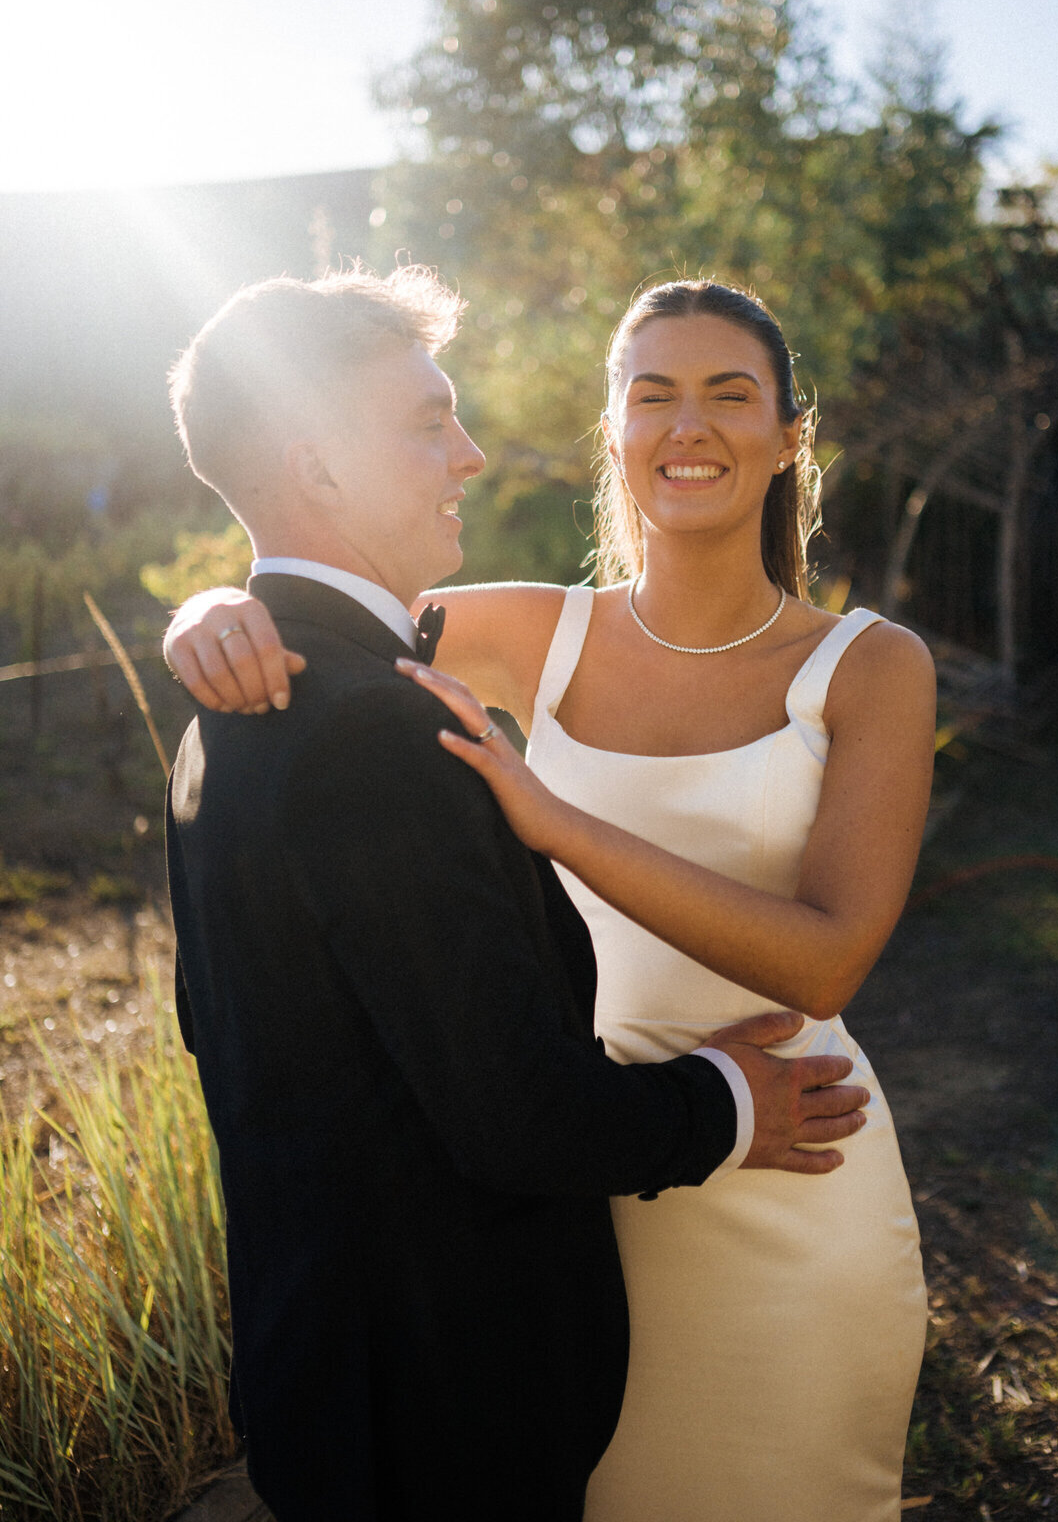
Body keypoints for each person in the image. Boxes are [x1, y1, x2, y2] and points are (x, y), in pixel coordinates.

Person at [163, 267, 872, 1522]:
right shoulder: (363, 725)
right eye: (429, 422)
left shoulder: (236, 716)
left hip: (340, 1376)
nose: (472, 455)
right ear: (315, 465)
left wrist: (227, 601)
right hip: (449, 1400)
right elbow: (513, 1112)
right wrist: (726, 1099)